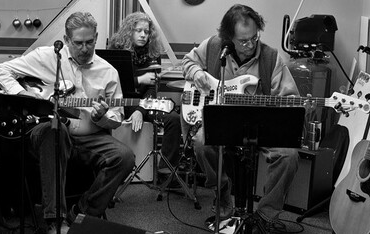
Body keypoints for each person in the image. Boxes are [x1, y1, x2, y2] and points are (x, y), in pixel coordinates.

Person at [0, 12, 135, 234]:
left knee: (125, 157)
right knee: (54, 133)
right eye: (78, 43)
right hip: (48, 129)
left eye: (90, 42)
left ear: (96, 37)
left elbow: (116, 118)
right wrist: (25, 97)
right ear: (67, 40)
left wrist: (102, 117)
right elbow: (0, 70)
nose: (85, 48)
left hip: (91, 136)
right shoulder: (47, 57)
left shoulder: (108, 72)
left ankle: (81, 215)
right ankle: (55, 221)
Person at [181, 4, 300, 232]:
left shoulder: (272, 58)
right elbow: (188, 62)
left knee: (289, 155)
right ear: (228, 38)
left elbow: (290, 101)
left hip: (259, 126)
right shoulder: (214, 46)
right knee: (200, 144)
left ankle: (266, 215)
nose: (250, 45)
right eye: (243, 41)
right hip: (219, 121)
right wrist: (196, 73)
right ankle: (223, 197)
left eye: (254, 38)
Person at [108, 12, 182, 185]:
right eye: (138, 30)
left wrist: (141, 110)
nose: (143, 35)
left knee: (174, 119)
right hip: (121, 102)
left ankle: (166, 172)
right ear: (129, 31)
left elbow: (151, 89)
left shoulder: (153, 53)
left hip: (144, 103)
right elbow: (114, 85)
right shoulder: (115, 51)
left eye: (146, 32)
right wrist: (139, 80)